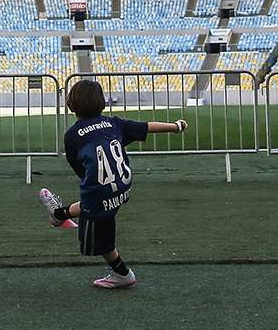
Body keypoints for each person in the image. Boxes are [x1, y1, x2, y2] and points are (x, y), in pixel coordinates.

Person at [35, 78, 186, 290]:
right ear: (102, 102)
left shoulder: (72, 135)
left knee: (100, 240)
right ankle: (59, 215)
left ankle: (122, 273)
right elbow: (146, 127)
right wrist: (175, 127)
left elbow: (78, 167)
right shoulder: (114, 123)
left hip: (101, 190)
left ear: (71, 104)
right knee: (93, 204)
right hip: (123, 186)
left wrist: (90, 181)